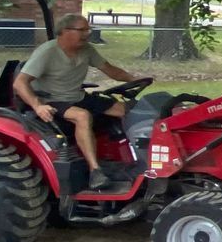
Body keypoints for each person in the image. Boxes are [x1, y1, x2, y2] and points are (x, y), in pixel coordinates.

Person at [13, 15, 145, 189]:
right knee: (82, 116)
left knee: (126, 110)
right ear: (65, 31)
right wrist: (38, 105)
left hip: (77, 96)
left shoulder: (87, 50)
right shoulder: (48, 52)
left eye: (87, 30)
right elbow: (19, 83)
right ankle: (95, 171)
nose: (87, 34)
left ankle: (137, 161)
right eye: (81, 30)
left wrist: (134, 78)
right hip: (52, 99)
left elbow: (109, 69)